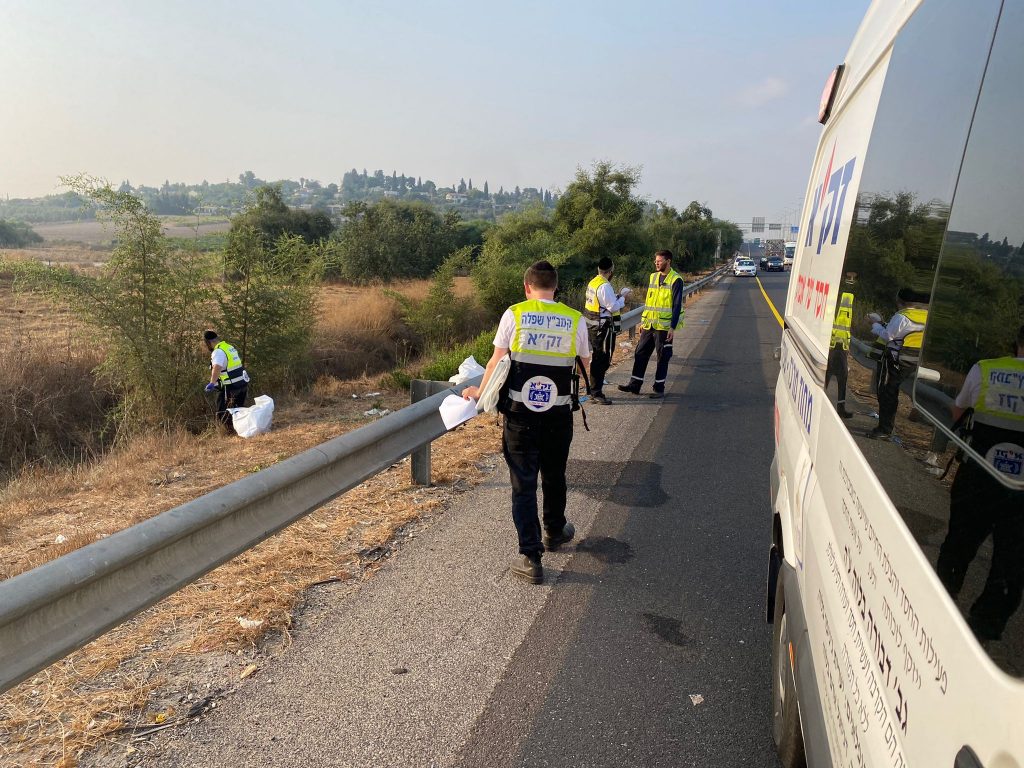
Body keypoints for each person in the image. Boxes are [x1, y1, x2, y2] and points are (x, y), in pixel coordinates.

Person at [463, 261, 591, 584]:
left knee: (523, 485)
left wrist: (479, 393)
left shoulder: (515, 314)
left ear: (527, 287)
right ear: (556, 288)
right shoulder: (574, 319)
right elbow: (585, 362)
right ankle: (554, 530)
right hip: (558, 415)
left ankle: (531, 557)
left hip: (520, 417)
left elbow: (495, 361)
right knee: (554, 474)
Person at [936, 326, 1024, 641]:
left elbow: (959, 409)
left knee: (959, 544)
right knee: (1012, 561)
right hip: (1020, 493)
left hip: (978, 476)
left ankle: (941, 605)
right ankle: (985, 625)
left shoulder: (986, 369)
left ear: (1017, 344)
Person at [618, 249, 684, 399]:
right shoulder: (653, 277)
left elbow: (677, 305)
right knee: (640, 352)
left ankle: (659, 388)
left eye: (659, 261)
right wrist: (643, 321)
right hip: (649, 325)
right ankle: (634, 385)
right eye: (655, 261)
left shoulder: (676, 279)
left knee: (663, 357)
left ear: (668, 262)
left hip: (664, 327)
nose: (656, 263)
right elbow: (649, 302)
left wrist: (672, 327)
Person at [867, 288, 928, 438]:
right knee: (892, 392)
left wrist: (876, 325)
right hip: (912, 362)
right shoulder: (925, 316)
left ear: (901, 302)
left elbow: (888, 335)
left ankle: (884, 429)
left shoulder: (902, 316)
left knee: (887, 394)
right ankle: (886, 428)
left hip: (894, 361)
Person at [583, 257, 628, 405]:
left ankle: (593, 390)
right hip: (602, 328)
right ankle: (596, 392)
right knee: (602, 359)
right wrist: (622, 298)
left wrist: (617, 297)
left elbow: (601, 302)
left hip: (592, 325)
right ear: (610, 271)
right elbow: (613, 307)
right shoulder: (605, 286)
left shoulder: (593, 282)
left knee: (597, 357)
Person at [202, 330, 250, 434]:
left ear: (208, 342)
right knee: (238, 410)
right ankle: (241, 431)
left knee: (222, 412)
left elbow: (217, 367)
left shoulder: (218, 351)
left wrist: (212, 382)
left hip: (231, 386)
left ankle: (231, 434)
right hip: (242, 384)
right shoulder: (229, 347)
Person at [826, 291, 855, 419]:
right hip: (831, 348)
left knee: (840, 377)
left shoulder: (839, 306)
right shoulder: (832, 305)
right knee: (826, 377)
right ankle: (836, 408)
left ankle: (840, 408)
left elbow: (846, 330)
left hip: (839, 348)